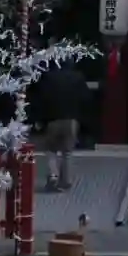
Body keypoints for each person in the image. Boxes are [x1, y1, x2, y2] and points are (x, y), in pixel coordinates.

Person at [38, 59, 87, 192]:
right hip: (71, 120)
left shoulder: (49, 77)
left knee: (51, 150)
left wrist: (40, 120)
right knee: (67, 152)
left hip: (52, 119)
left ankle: (53, 176)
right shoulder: (78, 77)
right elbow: (85, 98)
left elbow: (42, 99)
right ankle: (66, 180)